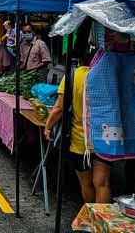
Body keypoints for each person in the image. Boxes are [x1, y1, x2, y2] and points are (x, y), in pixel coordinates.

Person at [44, 49, 111, 205]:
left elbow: (59, 108)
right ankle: (101, 225)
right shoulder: (106, 76)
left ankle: (92, 217)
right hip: (105, 138)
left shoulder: (73, 76)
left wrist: (48, 127)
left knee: (86, 183)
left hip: (80, 141)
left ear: (80, 60)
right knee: (103, 183)